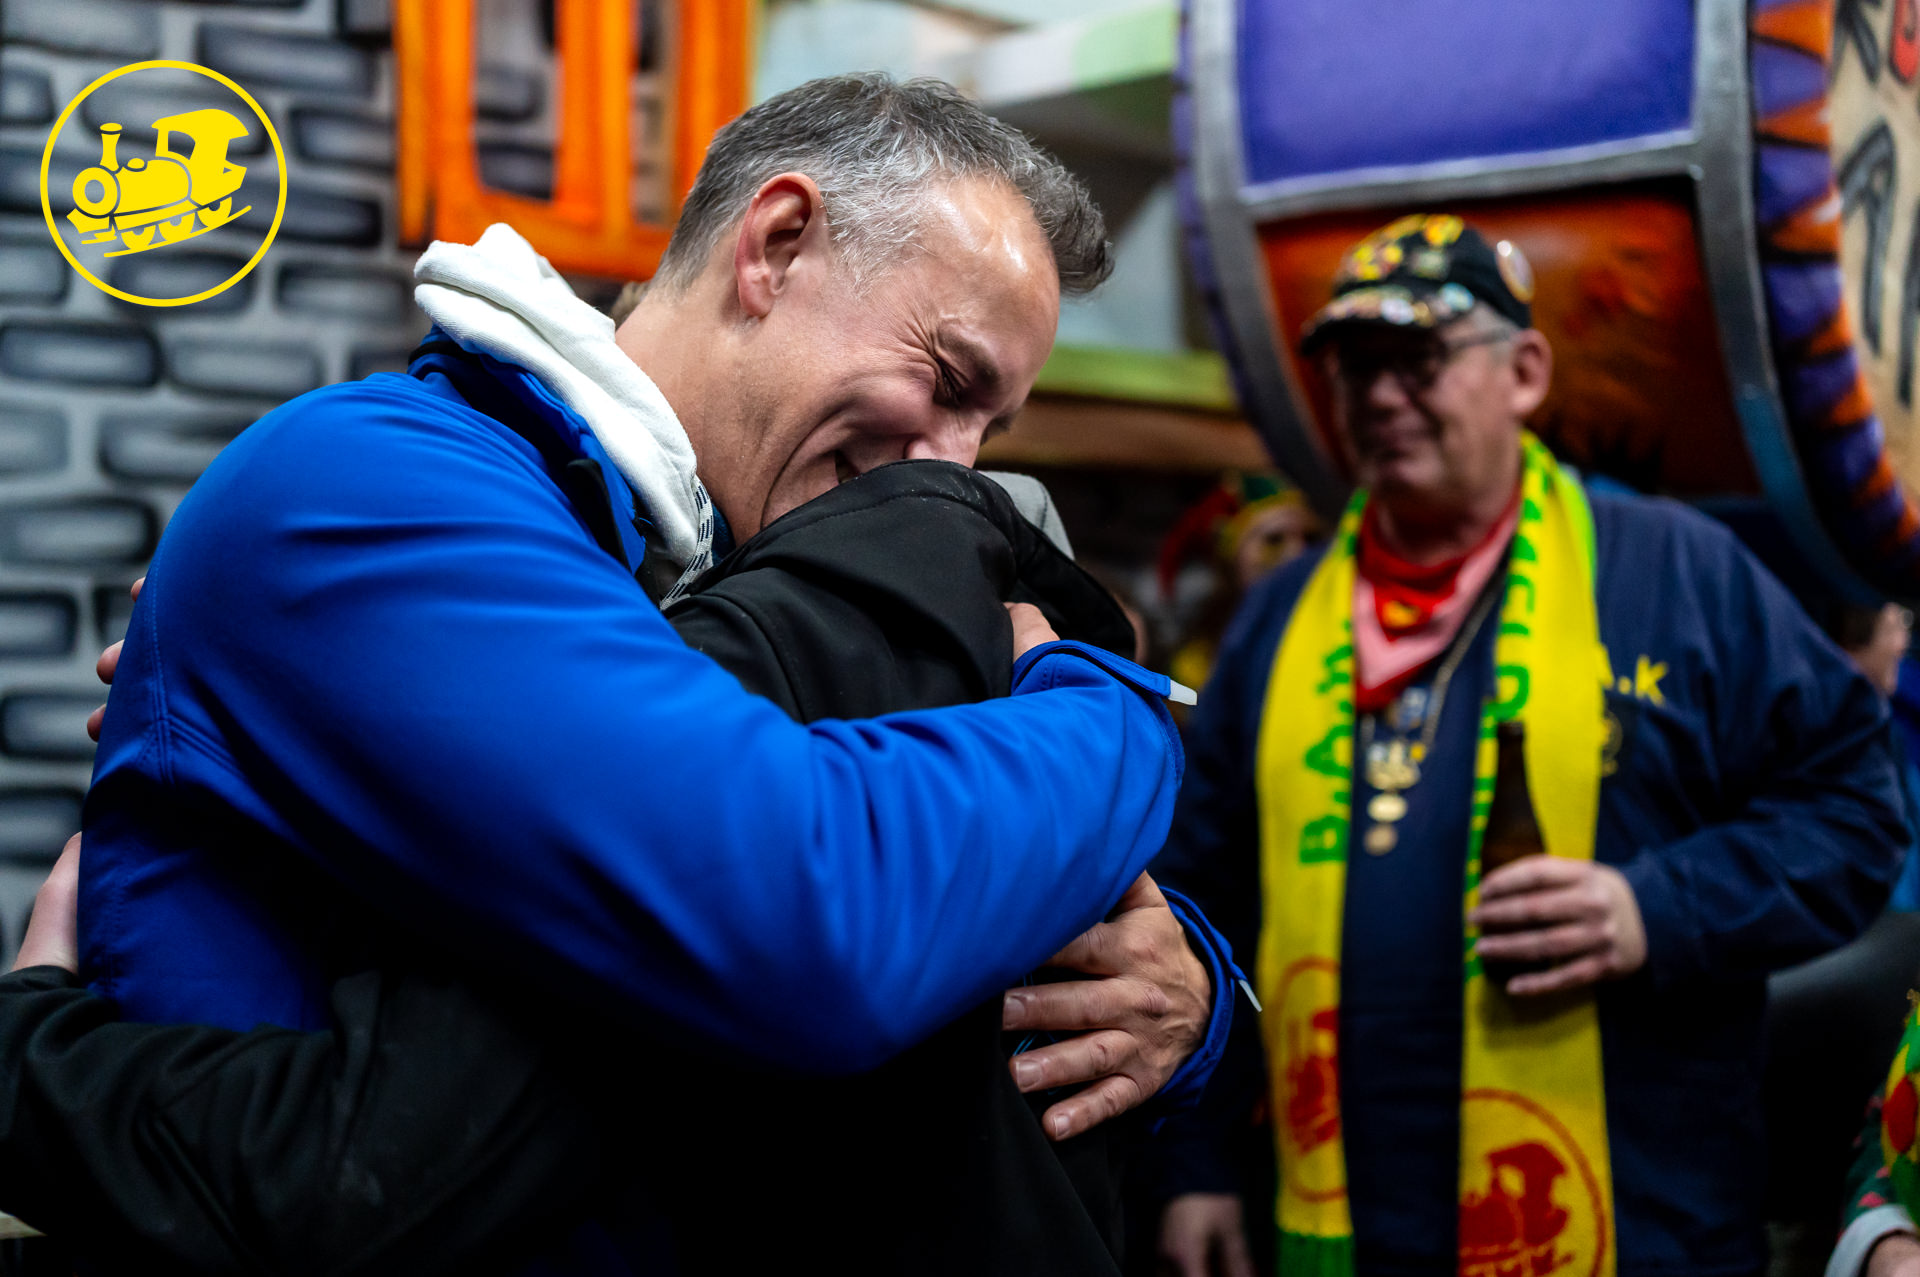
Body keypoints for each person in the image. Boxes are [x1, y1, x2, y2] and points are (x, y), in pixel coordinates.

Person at [71, 73, 1231, 1273]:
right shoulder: (377, 482)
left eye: (990, 428)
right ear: (776, 245)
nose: (955, 467)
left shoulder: (713, 563)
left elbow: (949, 895)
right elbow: (803, 910)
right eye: (946, 378)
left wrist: (1179, 983)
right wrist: (1118, 710)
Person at [0, 458, 1235, 1276]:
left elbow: (354, 1168)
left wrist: (1200, 992)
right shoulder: (649, 652)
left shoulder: (827, 648)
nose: (948, 448)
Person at [1148, 213, 1907, 1277]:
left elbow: (1857, 812)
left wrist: (1656, 907)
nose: (1378, 395)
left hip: (1636, 1221)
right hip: (1334, 1220)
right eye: (1354, 367)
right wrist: (1195, 1162)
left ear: (1526, 372)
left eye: (1418, 359)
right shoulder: (1279, 619)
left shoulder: (1677, 573)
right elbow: (1200, 905)